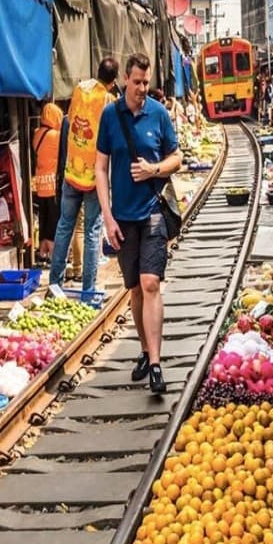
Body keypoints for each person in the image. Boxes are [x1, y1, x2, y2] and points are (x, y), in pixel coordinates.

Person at [95, 53, 182, 394]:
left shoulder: (158, 114)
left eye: (146, 82)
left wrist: (153, 169)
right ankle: (145, 351)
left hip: (153, 212)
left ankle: (157, 364)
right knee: (134, 289)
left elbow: (176, 157)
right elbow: (100, 168)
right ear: (124, 81)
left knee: (150, 283)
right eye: (137, 82)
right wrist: (107, 216)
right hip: (122, 217)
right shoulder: (109, 116)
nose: (142, 88)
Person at [49, 58, 120, 292]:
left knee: (64, 226)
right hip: (93, 177)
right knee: (91, 231)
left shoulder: (80, 89)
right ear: (114, 81)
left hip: (72, 172)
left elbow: (70, 121)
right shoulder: (109, 102)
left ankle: (54, 285)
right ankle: (88, 290)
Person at [32, 103, 64, 264]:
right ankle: (52, 255)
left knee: (44, 218)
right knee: (53, 220)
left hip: (40, 184)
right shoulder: (55, 136)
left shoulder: (37, 134)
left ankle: (42, 252)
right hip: (52, 184)